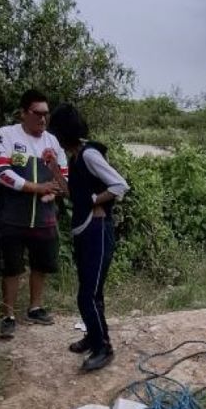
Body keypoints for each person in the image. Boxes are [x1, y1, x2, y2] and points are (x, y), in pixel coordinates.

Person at [47, 103, 130, 372]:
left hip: (97, 231)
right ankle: (93, 336)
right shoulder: (75, 156)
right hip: (85, 231)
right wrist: (53, 169)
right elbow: (73, 194)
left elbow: (119, 185)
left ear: (62, 133)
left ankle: (103, 346)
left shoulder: (90, 155)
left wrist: (96, 199)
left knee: (88, 295)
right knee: (90, 290)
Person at [0, 89, 69, 340]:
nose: (43, 120)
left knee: (41, 264)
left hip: (45, 216)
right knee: (11, 267)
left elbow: (63, 176)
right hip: (13, 216)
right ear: (23, 113)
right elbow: (1, 172)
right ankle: (8, 315)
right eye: (38, 114)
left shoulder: (52, 142)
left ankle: (35, 308)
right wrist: (35, 188)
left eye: (46, 114)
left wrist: (55, 190)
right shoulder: (7, 135)